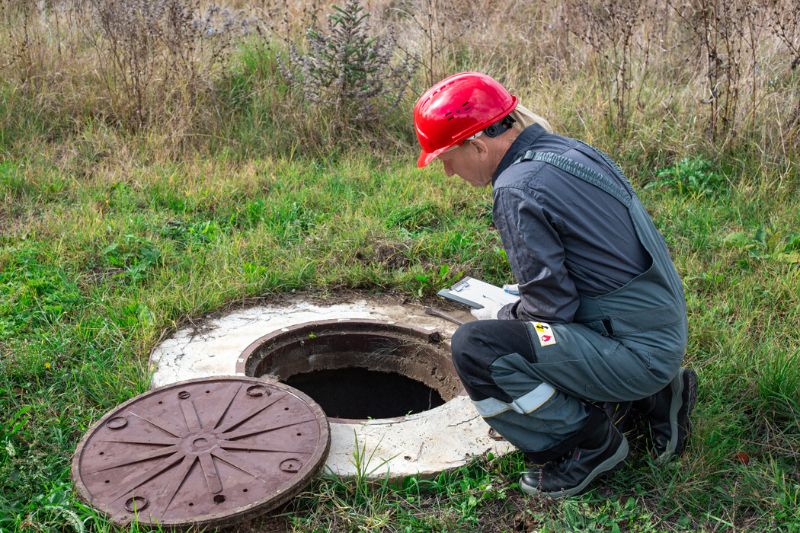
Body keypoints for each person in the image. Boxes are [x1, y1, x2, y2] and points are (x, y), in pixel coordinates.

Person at [413, 72, 698, 498]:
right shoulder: (564, 151)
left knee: (478, 349)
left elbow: (549, 311)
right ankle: (656, 394)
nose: (449, 172)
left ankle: (586, 444)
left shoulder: (515, 188)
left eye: (447, 158)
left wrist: (504, 315)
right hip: (657, 327)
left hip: (636, 351)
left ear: (477, 145)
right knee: (519, 322)